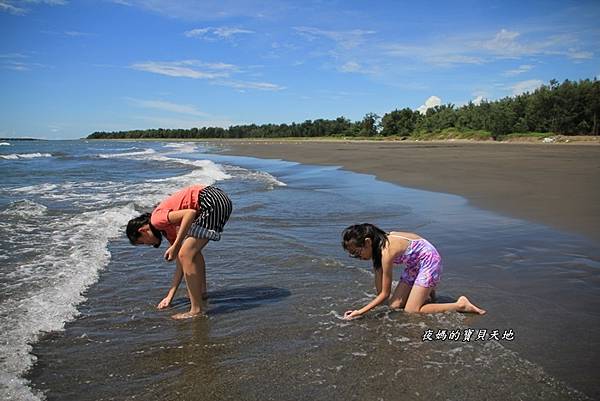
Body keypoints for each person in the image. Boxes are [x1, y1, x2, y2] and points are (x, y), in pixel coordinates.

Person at [126, 185, 232, 319]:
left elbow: (190, 213)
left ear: (142, 231)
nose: (146, 245)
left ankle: (196, 310)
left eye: (142, 242)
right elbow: (181, 264)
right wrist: (170, 296)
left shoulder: (157, 220)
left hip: (211, 200)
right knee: (190, 253)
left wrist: (176, 246)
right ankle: (202, 293)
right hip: (217, 199)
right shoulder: (168, 229)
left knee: (186, 253)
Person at [341, 223, 485, 320]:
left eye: (357, 253)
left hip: (429, 260)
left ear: (367, 242)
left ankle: (460, 305)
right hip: (414, 265)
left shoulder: (385, 252)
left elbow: (385, 293)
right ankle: (428, 294)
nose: (358, 257)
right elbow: (381, 293)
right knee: (394, 306)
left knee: (412, 310)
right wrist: (373, 305)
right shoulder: (377, 253)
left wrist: (360, 312)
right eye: (353, 255)